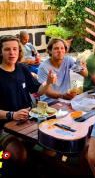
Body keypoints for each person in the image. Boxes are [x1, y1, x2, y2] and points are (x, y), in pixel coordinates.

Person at [0, 35, 58, 175]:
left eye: (15, 49)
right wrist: (12, 114)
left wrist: (48, 83)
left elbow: (38, 90)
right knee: (20, 156)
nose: (12, 53)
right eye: (7, 49)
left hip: (29, 122)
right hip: (5, 127)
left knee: (52, 147)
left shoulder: (22, 68)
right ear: (0, 52)